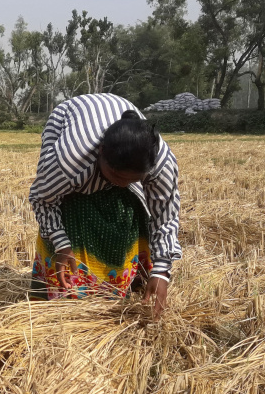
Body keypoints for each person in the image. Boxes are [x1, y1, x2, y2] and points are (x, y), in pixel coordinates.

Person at [28, 93, 181, 319]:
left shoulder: (161, 162)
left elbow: (165, 216)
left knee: (132, 204)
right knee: (72, 208)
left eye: (133, 179)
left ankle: (121, 285)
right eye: (116, 175)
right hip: (68, 121)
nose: (122, 184)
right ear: (100, 153)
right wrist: (61, 244)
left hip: (122, 130)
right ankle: (70, 295)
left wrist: (161, 271)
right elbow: (43, 198)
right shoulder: (68, 160)